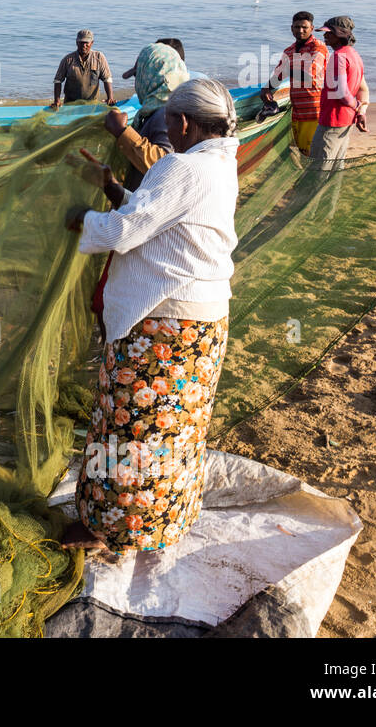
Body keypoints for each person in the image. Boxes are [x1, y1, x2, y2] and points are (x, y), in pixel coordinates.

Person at [61, 78, 240, 554]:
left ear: (182, 123)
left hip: (164, 323)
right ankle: (158, 524)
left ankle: (105, 528)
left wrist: (85, 218)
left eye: (171, 123)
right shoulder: (222, 165)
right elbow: (162, 222)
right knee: (173, 428)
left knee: (126, 425)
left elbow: (126, 232)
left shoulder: (181, 167)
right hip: (202, 325)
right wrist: (116, 188)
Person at [107, 40, 190, 189]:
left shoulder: (166, 114)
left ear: (151, 77)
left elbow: (165, 165)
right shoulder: (174, 106)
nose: (136, 84)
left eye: (137, 76)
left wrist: (122, 131)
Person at [261, 12, 329, 155]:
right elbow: (279, 75)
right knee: (294, 151)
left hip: (315, 110)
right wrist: (266, 88)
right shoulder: (289, 51)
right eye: (297, 27)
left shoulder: (318, 47)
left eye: (304, 27)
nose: (300, 30)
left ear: (312, 28)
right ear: (291, 28)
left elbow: (309, 75)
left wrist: (288, 70)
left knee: (312, 153)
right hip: (296, 111)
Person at [309, 16, 368, 170]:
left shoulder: (338, 57)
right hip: (347, 121)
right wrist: (361, 111)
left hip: (332, 121)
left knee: (318, 168)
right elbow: (363, 89)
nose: (325, 36)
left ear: (340, 34)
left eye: (329, 33)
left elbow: (342, 93)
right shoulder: (354, 55)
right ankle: (331, 194)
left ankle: (312, 194)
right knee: (336, 167)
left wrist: (356, 105)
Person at [52, 29, 115, 107]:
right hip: (70, 103)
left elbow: (107, 79)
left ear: (92, 43)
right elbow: (58, 81)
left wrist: (110, 98)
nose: (83, 46)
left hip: (92, 103)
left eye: (86, 43)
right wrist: (57, 101)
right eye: (81, 42)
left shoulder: (99, 57)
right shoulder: (68, 60)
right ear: (76, 43)